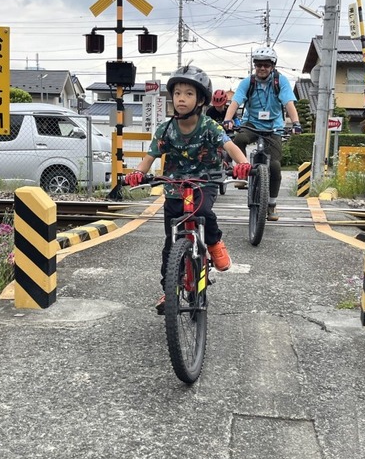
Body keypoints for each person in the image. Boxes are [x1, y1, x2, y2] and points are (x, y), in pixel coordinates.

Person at [124, 65, 251, 314]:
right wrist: (138, 172)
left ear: (201, 100)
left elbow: (231, 146)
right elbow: (149, 158)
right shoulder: (165, 129)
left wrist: (243, 164)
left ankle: (213, 242)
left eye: (189, 94)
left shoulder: (210, 127)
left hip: (206, 181)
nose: (181, 98)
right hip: (174, 187)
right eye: (177, 93)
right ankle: (169, 290)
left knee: (203, 211)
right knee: (171, 244)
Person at [222, 46, 302, 221]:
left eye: (266, 65)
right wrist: (228, 119)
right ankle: (242, 170)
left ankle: (271, 205)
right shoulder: (247, 82)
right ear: (255, 66)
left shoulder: (280, 82)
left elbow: (289, 103)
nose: (262, 68)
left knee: (274, 166)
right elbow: (235, 102)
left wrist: (296, 123)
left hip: (273, 126)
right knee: (239, 139)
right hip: (251, 123)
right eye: (258, 65)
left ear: (272, 66)